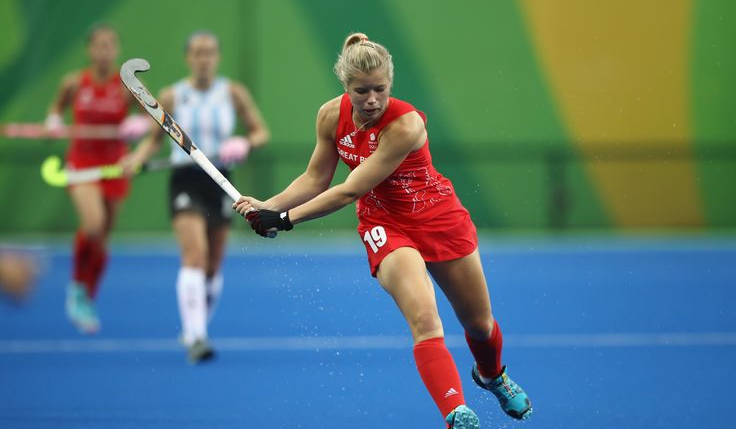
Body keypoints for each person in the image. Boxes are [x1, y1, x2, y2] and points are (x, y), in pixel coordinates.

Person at [235, 33, 532, 427]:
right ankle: (455, 412)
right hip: (386, 226)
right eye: (362, 91)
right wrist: (268, 205)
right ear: (346, 86)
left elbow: (350, 189)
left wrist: (285, 220)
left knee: (479, 324)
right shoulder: (329, 116)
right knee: (425, 320)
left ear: (390, 83)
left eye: (380, 89)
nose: (372, 99)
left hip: (440, 218)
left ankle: (492, 376)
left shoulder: (405, 125)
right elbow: (315, 178)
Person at [126, 31, 269, 364]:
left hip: (221, 180)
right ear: (187, 57)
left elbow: (260, 132)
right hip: (185, 180)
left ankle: (195, 326)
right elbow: (152, 141)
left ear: (217, 57)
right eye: (197, 53)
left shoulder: (233, 93)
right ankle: (197, 336)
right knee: (195, 254)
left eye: (209, 53)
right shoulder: (171, 96)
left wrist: (245, 144)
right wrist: (136, 158)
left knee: (213, 264)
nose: (204, 59)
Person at [46, 24, 147, 333]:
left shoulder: (127, 86)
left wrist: (137, 125)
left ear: (116, 50)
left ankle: (88, 296)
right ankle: (76, 286)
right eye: (98, 46)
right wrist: (52, 122)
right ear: (90, 50)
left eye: (109, 46)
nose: (104, 52)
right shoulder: (74, 83)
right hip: (82, 162)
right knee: (92, 224)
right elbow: (57, 109)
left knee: (102, 236)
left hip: (115, 165)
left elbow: (151, 118)